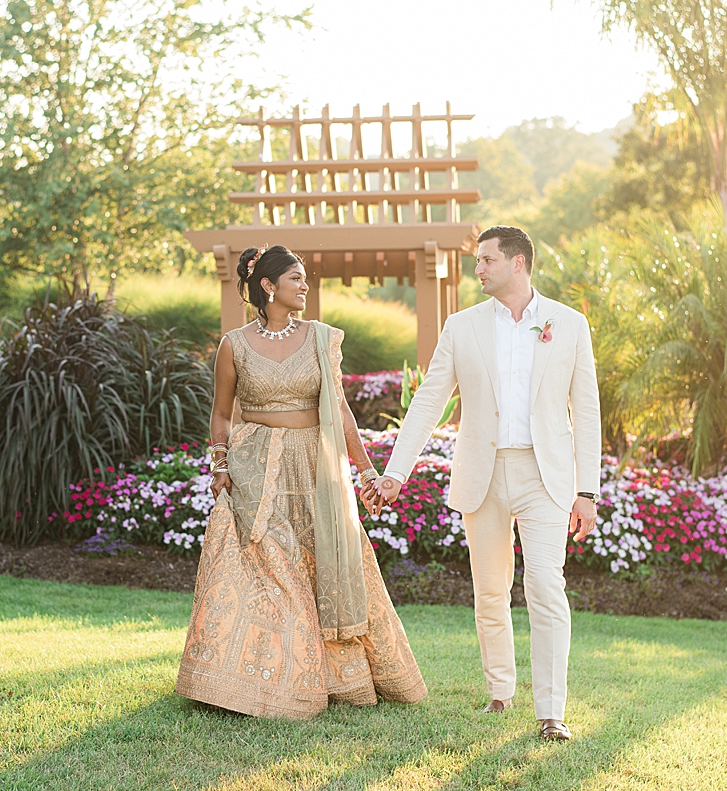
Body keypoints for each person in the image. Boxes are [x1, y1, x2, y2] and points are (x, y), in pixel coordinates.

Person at [176, 244, 428, 718]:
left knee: (321, 563)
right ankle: (264, 681)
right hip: (255, 468)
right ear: (268, 286)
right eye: (295, 278)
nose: (305, 286)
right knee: (274, 568)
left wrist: (368, 470)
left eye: (304, 278)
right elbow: (221, 412)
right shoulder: (234, 344)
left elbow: (341, 411)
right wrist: (221, 466)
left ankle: (335, 677)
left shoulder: (320, 338)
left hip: (315, 468)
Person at [374, 225, 599, 742]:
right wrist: (395, 472)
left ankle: (551, 712)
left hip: (547, 476)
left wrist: (587, 491)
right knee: (490, 591)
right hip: (483, 473)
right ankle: (500, 692)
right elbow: (429, 401)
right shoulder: (462, 326)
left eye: (487, 260)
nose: (478, 269)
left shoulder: (568, 324)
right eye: (478, 261)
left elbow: (586, 411)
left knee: (546, 584)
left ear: (518, 263)